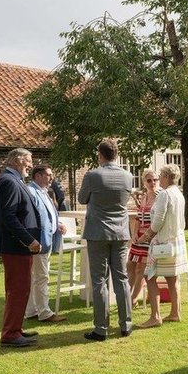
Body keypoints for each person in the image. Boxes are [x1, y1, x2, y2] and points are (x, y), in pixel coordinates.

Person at [78, 138, 134, 341]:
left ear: (100, 154)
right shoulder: (128, 176)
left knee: (99, 281)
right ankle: (126, 325)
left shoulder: (93, 175)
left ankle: (101, 328)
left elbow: (81, 199)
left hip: (97, 233)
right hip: (120, 232)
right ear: (116, 155)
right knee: (121, 278)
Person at [0, 148, 42, 347]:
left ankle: (15, 329)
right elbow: (9, 217)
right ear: (18, 160)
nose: (31, 165)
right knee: (17, 289)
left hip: (18, 247)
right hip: (16, 247)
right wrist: (29, 240)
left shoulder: (13, 180)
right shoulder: (9, 181)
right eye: (29, 160)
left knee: (20, 289)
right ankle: (11, 334)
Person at [138, 164, 188, 328]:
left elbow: (158, 221)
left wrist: (146, 236)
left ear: (166, 177)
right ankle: (175, 313)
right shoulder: (179, 194)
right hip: (177, 241)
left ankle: (155, 316)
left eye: (160, 176)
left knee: (149, 276)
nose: (158, 179)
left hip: (162, 242)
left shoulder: (165, 194)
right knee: (172, 278)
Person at [24, 165, 67, 323]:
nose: (51, 178)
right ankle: (45, 312)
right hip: (39, 241)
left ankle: (31, 311)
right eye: (48, 175)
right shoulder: (32, 191)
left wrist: (58, 224)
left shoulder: (43, 191)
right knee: (41, 277)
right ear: (38, 176)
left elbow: (48, 214)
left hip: (45, 240)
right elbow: (32, 218)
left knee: (36, 276)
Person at [127, 169, 161, 307]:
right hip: (139, 237)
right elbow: (139, 218)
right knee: (130, 265)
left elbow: (158, 220)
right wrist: (135, 234)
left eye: (155, 180)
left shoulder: (160, 196)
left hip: (150, 238)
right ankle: (126, 295)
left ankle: (132, 299)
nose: (152, 182)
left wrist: (146, 236)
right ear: (144, 182)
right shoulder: (144, 196)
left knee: (141, 268)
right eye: (149, 180)